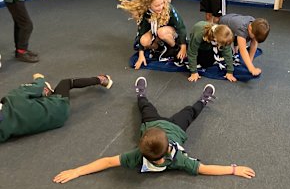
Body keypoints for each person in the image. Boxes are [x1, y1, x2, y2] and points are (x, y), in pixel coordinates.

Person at [53, 76, 255, 183]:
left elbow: (107, 161)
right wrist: (234, 169)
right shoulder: (177, 159)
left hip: (151, 124)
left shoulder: (136, 156)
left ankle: (141, 95)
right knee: (190, 112)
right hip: (176, 128)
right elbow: (205, 169)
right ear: (169, 148)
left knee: (146, 107)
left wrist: (77, 171)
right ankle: (203, 100)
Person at [0, 73, 113, 143]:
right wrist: (39, 78)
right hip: (59, 107)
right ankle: (101, 79)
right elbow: (38, 83)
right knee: (66, 82)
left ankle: (45, 93)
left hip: (56, 122)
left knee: (29, 106)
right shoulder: (14, 97)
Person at [117, 0, 187, 69]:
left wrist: (183, 47)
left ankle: (174, 48)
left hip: (171, 33)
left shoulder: (169, 9)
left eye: (162, 3)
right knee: (144, 40)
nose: (161, 7)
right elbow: (141, 32)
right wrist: (141, 55)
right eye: (157, 5)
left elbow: (181, 27)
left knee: (161, 32)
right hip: (156, 32)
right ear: (148, 5)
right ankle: (160, 48)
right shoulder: (146, 12)